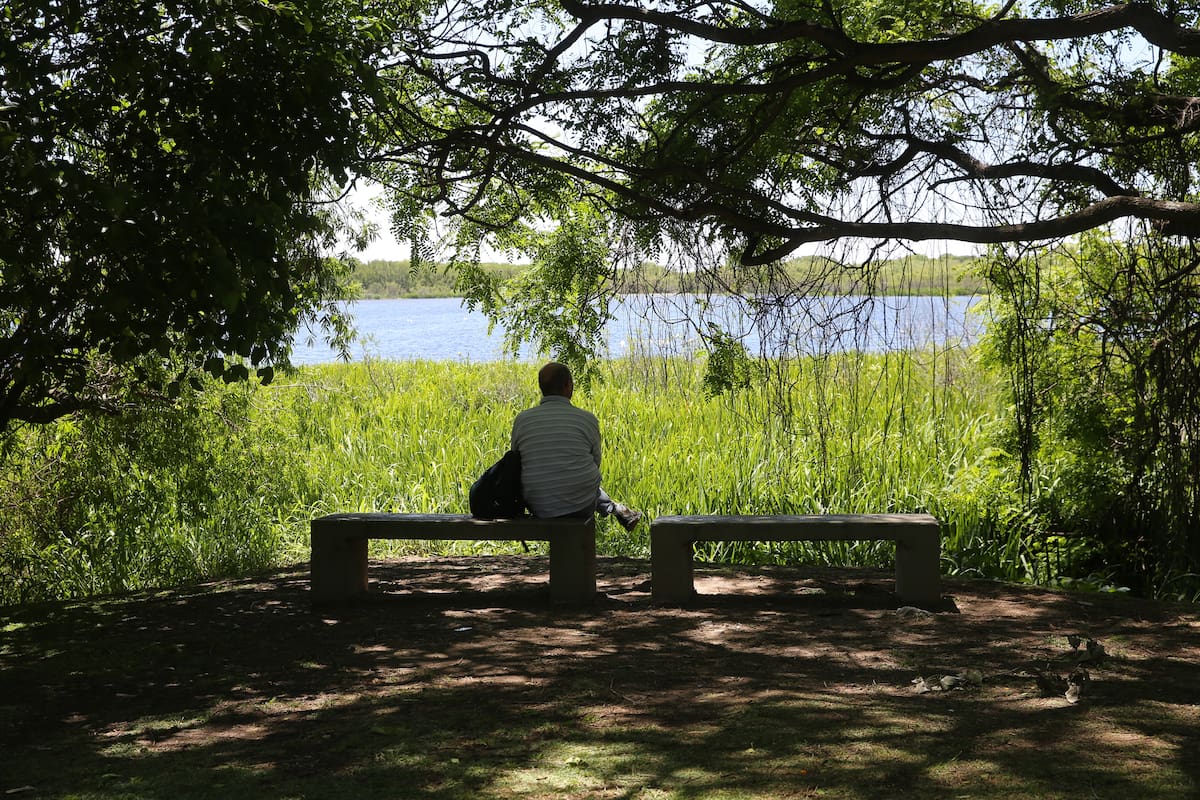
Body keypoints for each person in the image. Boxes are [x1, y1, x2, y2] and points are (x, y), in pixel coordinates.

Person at [510, 362, 642, 530]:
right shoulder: (587, 419)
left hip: (538, 504)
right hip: (580, 505)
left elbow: (516, 461)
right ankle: (616, 509)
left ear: (541, 387)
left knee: (581, 485)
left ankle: (617, 509)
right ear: (568, 386)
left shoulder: (522, 420)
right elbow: (595, 463)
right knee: (587, 486)